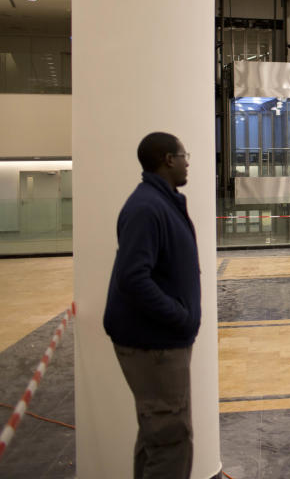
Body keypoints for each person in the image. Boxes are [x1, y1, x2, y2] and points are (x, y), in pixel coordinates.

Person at [103, 132, 200, 479]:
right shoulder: (146, 207)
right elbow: (133, 278)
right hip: (154, 344)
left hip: (160, 340)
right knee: (171, 440)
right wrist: (179, 317)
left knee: (155, 436)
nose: (188, 161)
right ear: (167, 159)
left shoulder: (160, 202)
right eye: (184, 154)